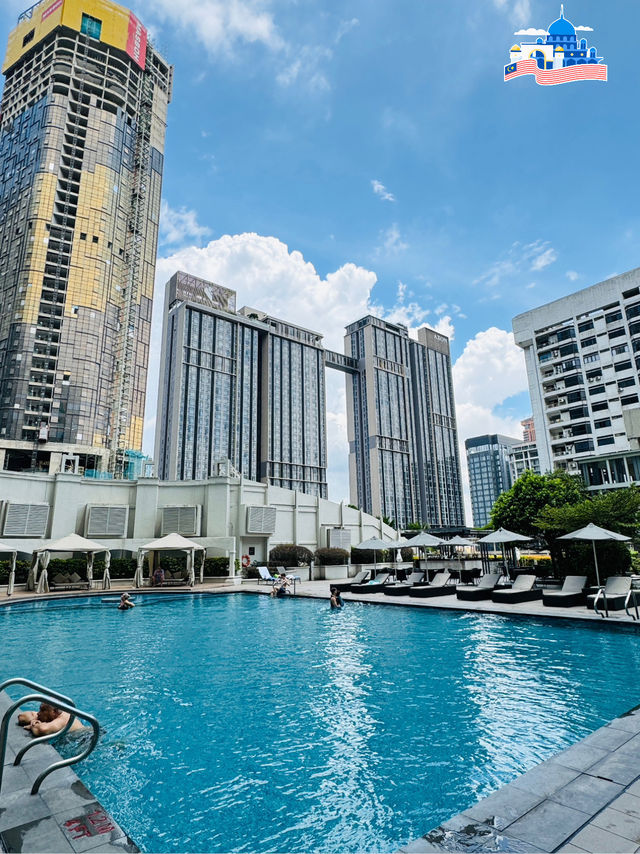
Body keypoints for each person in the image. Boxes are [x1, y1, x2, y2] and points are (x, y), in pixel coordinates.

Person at [18, 702, 84, 735]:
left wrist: (32, 726)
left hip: (84, 737)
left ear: (54, 712)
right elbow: (22, 717)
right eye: (40, 709)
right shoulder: (51, 715)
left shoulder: (62, 719)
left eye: (43, 710)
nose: (38, 713)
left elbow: (42, 729)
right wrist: (34, 720)